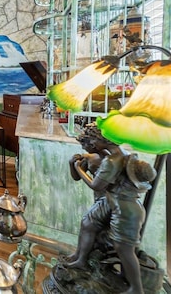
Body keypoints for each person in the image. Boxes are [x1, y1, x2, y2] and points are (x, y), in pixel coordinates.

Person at [65, 124, 156, 294]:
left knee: (124, 249)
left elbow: (95, 185)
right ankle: (81, 259)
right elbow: (82, 177)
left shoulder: (112, 161)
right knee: (88, 223)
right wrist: (76, 165)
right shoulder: (115, 155)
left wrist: (77, 167)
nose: (89, 144)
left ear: (100, 140)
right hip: (113, 202)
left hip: (125, 208)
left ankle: (136, 289)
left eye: (92, 140)